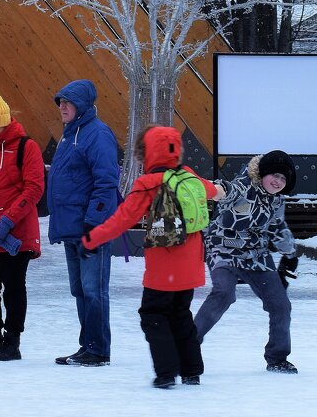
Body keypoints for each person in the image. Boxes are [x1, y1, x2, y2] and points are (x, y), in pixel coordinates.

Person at [82, 125, 222, 388]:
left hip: (162, 268)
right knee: (180, 314)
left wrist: (91, 239)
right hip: (191, 266)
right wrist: (220, 190)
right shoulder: (189, 176)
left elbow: (122, 220)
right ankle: (191, 370)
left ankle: (166, 373)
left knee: (153, 315)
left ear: (146, 153)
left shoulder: (148, 183)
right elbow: (212, 191)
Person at [193, 149, 300, 374]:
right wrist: (204, 188)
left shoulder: (276, 200)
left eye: (283, 178)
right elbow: (222, 190)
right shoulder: (242, 187)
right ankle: (188, 345)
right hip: (224, 249)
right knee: (224, 293)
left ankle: (277, 358)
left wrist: (290, 254)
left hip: (255, 254)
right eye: (275, 176)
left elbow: (277, 227)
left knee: (281, 304)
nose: (278, 182)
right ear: (263, 174)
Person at [47, 79, 120, 367]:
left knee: (93, 288)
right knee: (80, 289)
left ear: (83, 105)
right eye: (60, 102)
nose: (62, 106)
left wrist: (94, 222)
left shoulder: (97, 134)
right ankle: (87, 345)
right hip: (71, 226)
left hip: (90, 227)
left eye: (68, 101)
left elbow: (106, 181)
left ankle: (98, 349)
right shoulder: (71, 134)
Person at [0, 92, 46, 362]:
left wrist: (9, 219)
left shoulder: (28, 147)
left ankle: (12, 341)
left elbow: (35, 188)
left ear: (5, 122)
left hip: (14, 231)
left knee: (14, 288)